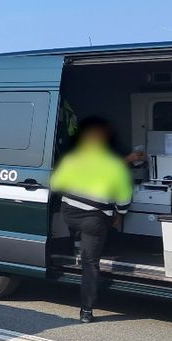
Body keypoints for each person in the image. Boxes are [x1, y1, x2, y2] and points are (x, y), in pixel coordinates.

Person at [50, 117, 138, 323]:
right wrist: (119, 214)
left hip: (69, 213)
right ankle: (86, 311)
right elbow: (124, 200)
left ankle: (78, 243)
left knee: (85, 234)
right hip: (94, 219)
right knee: (90, 263)